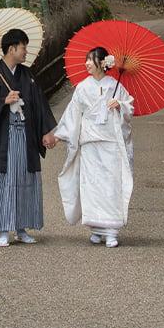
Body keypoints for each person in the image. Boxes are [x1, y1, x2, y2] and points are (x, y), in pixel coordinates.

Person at [44, 46, 134, 246]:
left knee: (110, 186)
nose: (86, 64)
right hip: (90, 143)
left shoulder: (115, 85)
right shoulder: (83, 87)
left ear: (103, 63)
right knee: (91, 186)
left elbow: (130, 106)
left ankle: (111, 230)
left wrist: (120, 105)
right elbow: (73, 114)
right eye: (86, 60)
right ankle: (95, 228)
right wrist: (58, 135)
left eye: (90, 60)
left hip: (109, 142)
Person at [0, 27, 58, 247]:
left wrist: (47, 131)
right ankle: (3, 230)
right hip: (4, 137)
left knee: (23, 179)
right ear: (11, 49)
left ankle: (21, 228)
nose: (25, 52)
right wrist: (3, 100)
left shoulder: (27, 75)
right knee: (4, 181)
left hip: (25, 136)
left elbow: (39, 104)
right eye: (23, 48)